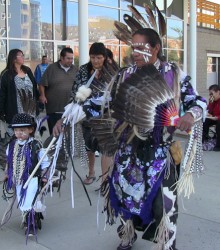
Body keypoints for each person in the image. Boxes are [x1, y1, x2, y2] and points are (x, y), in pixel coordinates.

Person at [102, 28, 207, 250]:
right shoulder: (124, 75)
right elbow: (102, 103)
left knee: (164, 204)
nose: (136, 53)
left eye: (142, 48)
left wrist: (191, 114)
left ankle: (166, 244)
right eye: (134, 48)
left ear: (156, 48)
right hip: (128, 152)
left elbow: (198, 102)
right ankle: (127, 235)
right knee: (123, 197)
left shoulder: (175, 75)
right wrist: (74, 111)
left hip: (160, 153)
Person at [53, 42, 117, 185]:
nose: (95, 61)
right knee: (89, 147)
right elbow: (75, 93)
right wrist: (69, 114)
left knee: (107, 150)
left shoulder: (113, 71)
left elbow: (118, 94)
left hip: (107, 118)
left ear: (105, 57)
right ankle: (91, 172)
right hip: (87, 117)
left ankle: (105, 181)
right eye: (92, 57)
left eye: (99, 58)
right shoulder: (83, 70)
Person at [2, 113, 50, 237]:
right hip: (18, 180)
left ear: (31, 130)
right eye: (16, 130)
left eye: (22, 130)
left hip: (32, 178)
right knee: (23, 202)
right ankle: (27, 219)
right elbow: (9, 160)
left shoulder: (36, 145)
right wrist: (7, 173)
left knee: (31, 201)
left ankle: (31, 224)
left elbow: (44, 162)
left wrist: (45, 176)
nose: (19, 133)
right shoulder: (12, 145)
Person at [0, 49, 39, 134]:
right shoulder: (6, 74)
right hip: (15, 113)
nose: (23, 57)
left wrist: (39, 102)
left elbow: (34, 87)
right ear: (14, 59)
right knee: (16, 140)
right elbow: (1, 94)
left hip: (30, 112)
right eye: (21, 55)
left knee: (31, 139)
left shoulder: (27, 71)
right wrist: (0, 111)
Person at [39, 47, 77, 134]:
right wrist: (42, 95)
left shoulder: (75, 70)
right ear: (62, 58)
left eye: (72, 58)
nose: (70, 61)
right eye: (68, 58)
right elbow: (42, 84)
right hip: (54, 110)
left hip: (70, 110)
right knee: (55, 136)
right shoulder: (51, 68)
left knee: (69, 136)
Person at [202, 84, 220, 151]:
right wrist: (211, 103)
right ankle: (204, 140)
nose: (210, 96)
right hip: (215, 118)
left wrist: (217, 117)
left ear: (218, 92)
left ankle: (218, 145)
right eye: (210, 94)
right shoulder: (213, 100)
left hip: (218, 119)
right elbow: (209, 111)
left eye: (212, 94)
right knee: (205, 121)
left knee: (219, 124)